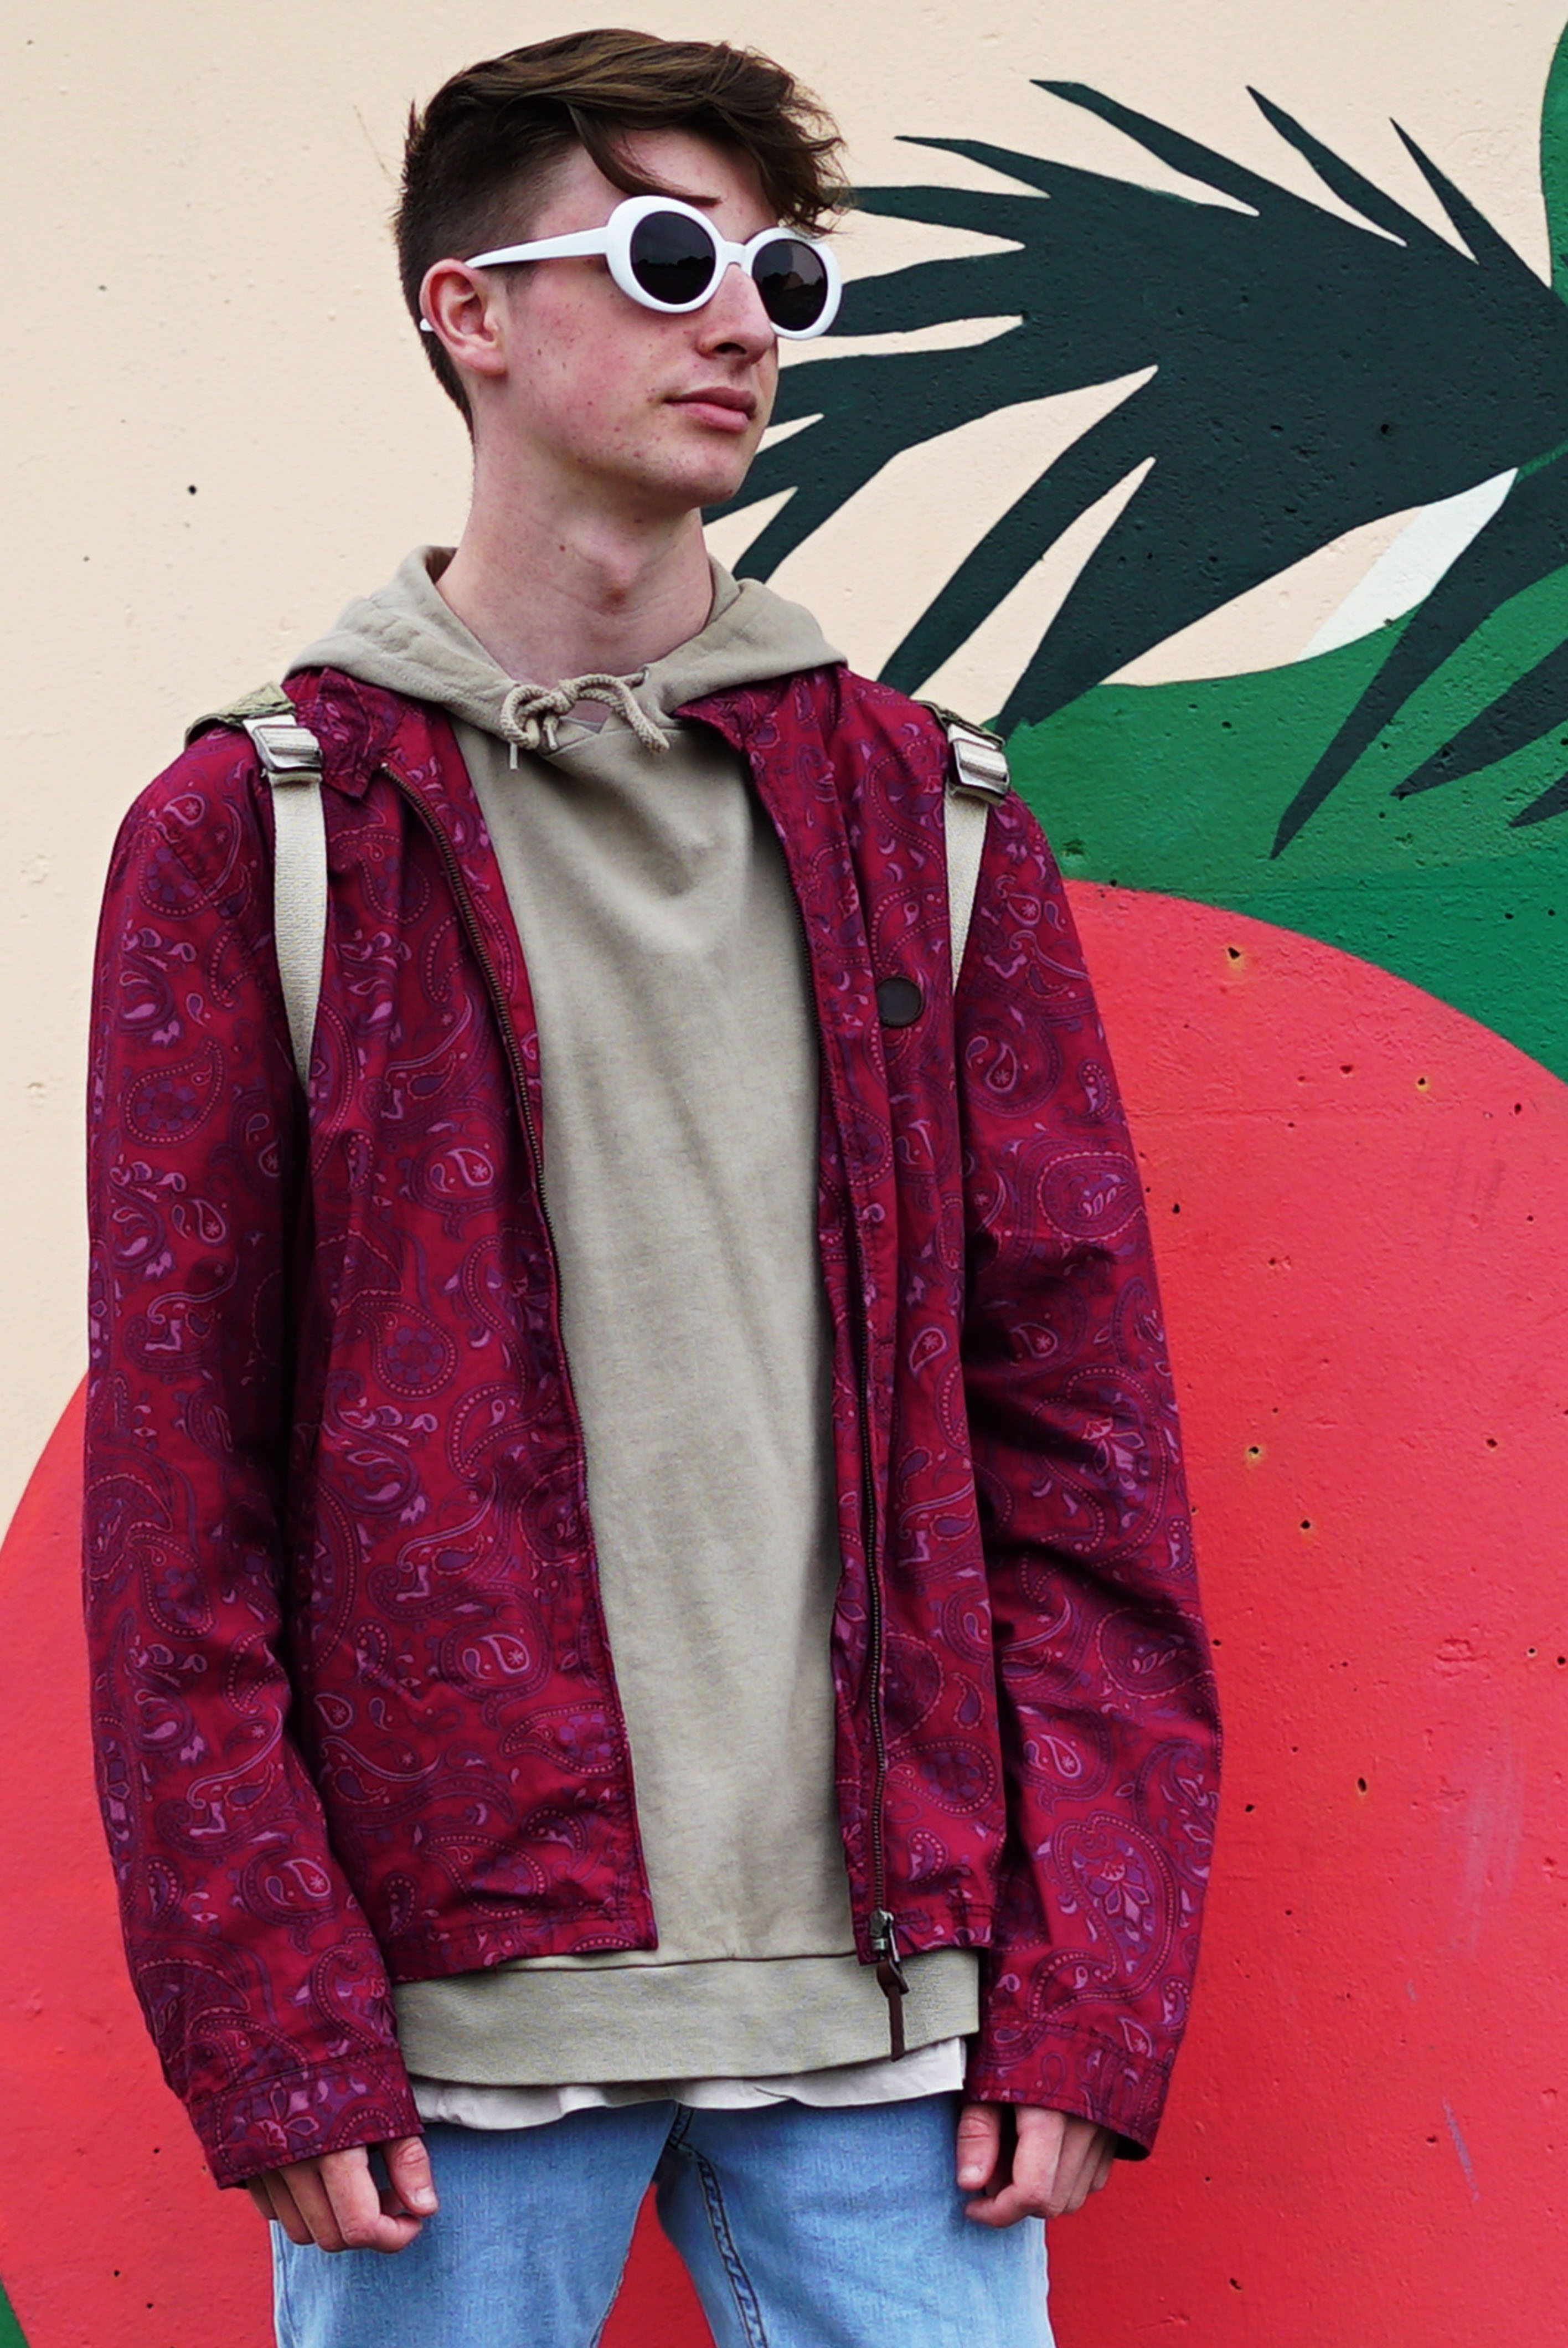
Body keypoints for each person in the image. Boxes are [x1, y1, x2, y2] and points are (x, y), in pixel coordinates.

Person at [82, 29, 1219, 2348]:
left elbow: (1084, 1437)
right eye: (671, 261)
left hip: (896, 2013)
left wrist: (1087, 1977)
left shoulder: (929, 821)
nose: (746, 326)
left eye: (782, 276)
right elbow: (179, 1487)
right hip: (450, 2026)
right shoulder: (262, 837)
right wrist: (269, 2007)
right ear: (469, 314)